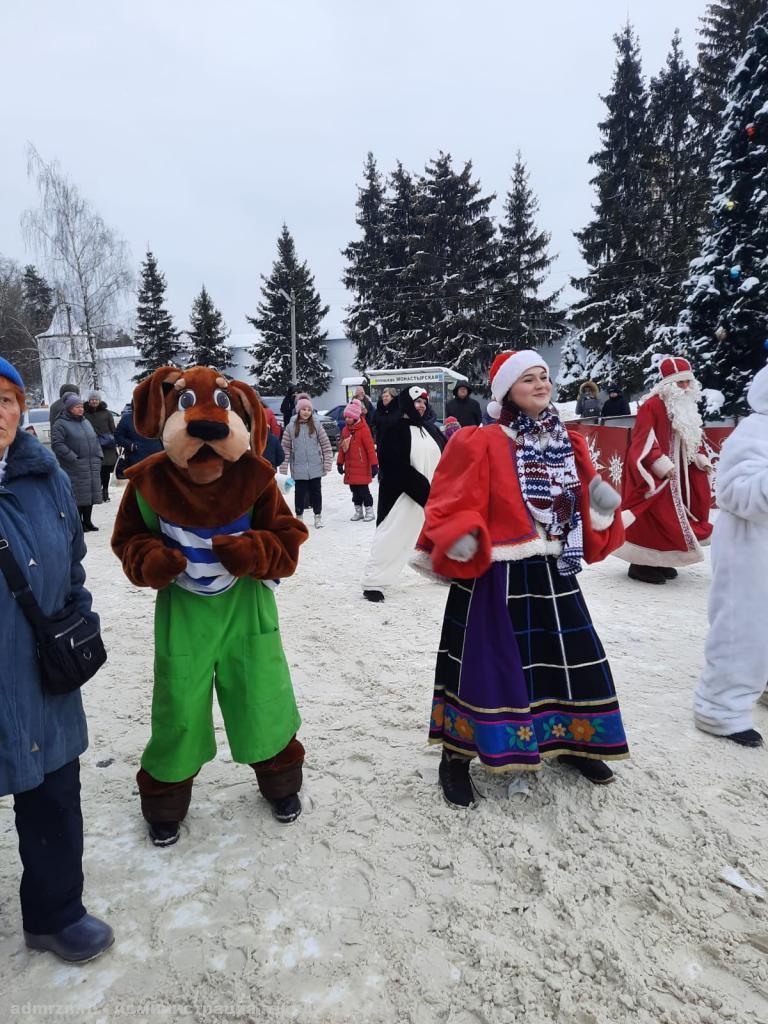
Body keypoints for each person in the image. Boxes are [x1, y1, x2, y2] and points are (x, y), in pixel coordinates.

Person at [414, 350, 629, 807]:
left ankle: (573, 741)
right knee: (482, 667)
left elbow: (585, 492)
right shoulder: (482, 440)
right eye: (528, 378)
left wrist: (600, 504)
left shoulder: (564, 441)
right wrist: (461, 539)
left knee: (563, 659)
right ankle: (456, 756)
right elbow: (451, 498)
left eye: (544, 376)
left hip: (553, 568)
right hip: (497, 574)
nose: (541, 384)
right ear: (505, 391)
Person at [112, 366, 309, 843]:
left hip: (246, 605)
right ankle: (165, 801)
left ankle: (281, 781)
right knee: (178, 703)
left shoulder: (256, 479)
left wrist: (255, 552)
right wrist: (151, 560)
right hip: (183, 610)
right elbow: (128, 541)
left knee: (261, 693)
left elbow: (287, 540)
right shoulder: (149, 484)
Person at [0, 356, 113, 963]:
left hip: (40, 674)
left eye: (7, 399)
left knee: (52, 795)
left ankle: (54, 913)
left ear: (22, 410)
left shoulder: (47, 480)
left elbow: (71, 561)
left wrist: (75, 613)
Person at [693, 364, 768, 749]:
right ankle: (719, 708)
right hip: (752, 549)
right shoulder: (755, 431)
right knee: (744, 628)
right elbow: (735, 493)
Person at [614, 356, 713, 584]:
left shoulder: (686, 406)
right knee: (654, 517)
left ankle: (662, 559)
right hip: (657, 474)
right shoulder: (653, 405)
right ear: (668, 384)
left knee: (674, 518)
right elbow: (642, 439)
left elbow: (691, 435)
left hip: (681, 474)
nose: (686, 387)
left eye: (688, 382)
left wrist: (698, 456)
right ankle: (641, 564)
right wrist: (659, 463)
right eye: (681, 383)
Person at [362, 386, 445, 603]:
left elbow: (447, 456)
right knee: (392, 536)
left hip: (431, 496)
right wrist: (423, 490)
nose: (421, 406)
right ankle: (374, 581)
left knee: (440, 535)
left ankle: (445, 569)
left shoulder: (430, 429)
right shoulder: (394, 429)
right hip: (401, 496)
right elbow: (392, 465)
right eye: (417, 401)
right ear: (406, 403)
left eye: (424, 403)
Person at [51, 393, 103, 532]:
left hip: (91, 463)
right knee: (78, 495)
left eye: (81, 406)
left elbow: (95, 439)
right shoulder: (60, 423)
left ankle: (88, 521)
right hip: (74, 465)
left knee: (90, 493)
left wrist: (99, 455)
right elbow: (57, 444)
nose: (80, 409)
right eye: (77, 407)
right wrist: (73, 457)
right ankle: (78, 523)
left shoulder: (85, 422)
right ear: (69, 408)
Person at [280, 396, 333, 527]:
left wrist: (327, 463)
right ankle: (299, 517)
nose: (306, 412)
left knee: (316, 492)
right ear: (298, 410)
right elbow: (285, 448)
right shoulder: (290, 427)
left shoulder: (316, 425)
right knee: (300, 494)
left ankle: (318, 516)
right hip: (298, 467)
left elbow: (326, 445)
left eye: (309, 409)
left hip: (316, 466)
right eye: (303, 409)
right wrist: (283, 468)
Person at [337, 399, 378, 522]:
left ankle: (369, 511)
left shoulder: (364, 430)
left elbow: (370, 449)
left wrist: (374, 465)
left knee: (364, 491)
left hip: (362, 467)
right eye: (346, 417)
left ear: (356, 417)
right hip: (350, 468)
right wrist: (340, 463)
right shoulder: (345, 430)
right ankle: (358, 511)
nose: (347, 420)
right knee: (354, 492)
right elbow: (342, 448)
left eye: (350, 417)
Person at [84, 391, 118, 502]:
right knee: (95, 470)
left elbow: (112, 428)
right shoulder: (84, 413)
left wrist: (116, 440)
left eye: (96, 399)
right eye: (92, 399)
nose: (94, 401)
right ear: (89, 401)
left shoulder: (106, 413)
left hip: (106, 446)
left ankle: (105, 492)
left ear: (99, 400)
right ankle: (98, 492)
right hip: (91, 445)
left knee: (106, 470)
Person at [114, 401, 164, 474]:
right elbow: (118, 436)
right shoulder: (127, 419)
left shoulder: (157, 417)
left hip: (156, 458)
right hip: (136, 459)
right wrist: (130, 445)